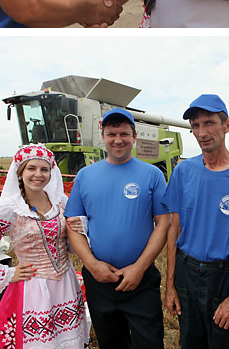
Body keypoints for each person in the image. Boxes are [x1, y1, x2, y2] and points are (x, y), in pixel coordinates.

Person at [0, 145, 89, 349]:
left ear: (51, 172)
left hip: (66, 283)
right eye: (32, 168)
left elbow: (72, 246)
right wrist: (7, 274)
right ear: (20, 172)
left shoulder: (61, 202)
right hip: (33, 288)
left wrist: (80, 228)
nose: (38, 174)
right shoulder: (10, 208)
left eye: (44, 169)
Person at [164, 94, 229, 349]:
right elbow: (173, 228)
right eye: (196, 126)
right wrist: (170, 285)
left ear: (227, 125)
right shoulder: (183, 171)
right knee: (189, 342)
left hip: (225, 276)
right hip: (186, 273)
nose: (202, 132)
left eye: (209, 123)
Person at [64, 107, 170, 349]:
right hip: (99, 281)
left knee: (150, 343)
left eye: (124, 134)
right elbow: (73, 226)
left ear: (134, 137)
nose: (118, 140)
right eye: (111, 134)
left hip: (141, 281)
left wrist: (139, 268)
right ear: (103, 137)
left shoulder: (152, 175)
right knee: (111, 343)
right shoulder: (85, 176)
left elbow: (163, 223)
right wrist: (93, 265)